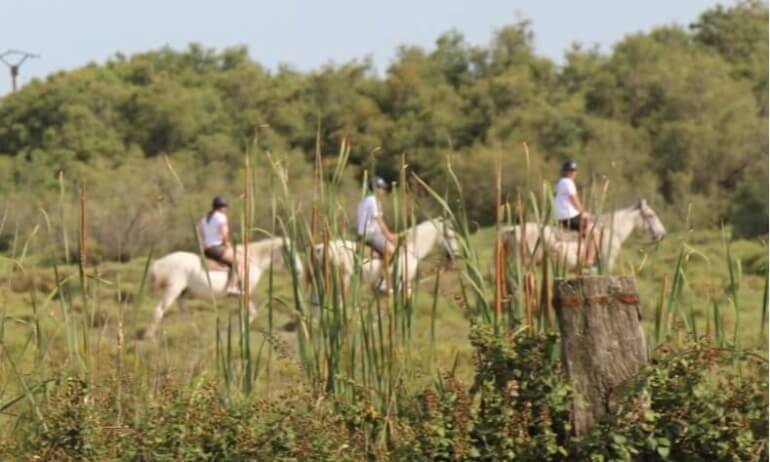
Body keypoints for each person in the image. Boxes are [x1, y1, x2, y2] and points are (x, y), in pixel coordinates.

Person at [554, 160, 597, 268]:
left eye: (574, 170)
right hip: (569, 216)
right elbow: (574, 200)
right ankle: (589, 262)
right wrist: (584, 213)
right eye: (570, 170)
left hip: (562, 216)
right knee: (593, 233)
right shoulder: (568, 182)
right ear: (565, 172)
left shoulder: (560, 183)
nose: (573, 173)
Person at [198, 196, 240, 295]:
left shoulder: (206, 218)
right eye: (225, 207)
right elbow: (224, 232)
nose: (226, 209)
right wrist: (226, 243)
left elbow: (198, 228)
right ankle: (232, 287)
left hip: (207, 249)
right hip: (216, 248)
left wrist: (204, 241)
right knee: (237, 263)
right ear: (222, 207)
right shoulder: (221, 217)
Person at [356, 176, 396, 260]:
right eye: (382, 188)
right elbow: (378, 220)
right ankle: (385, 273)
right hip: (370, 235)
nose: (384, 191)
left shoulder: (364, 200)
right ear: (375, 188)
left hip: (362, 235)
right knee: (392, 251)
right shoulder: (373, 200)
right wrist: (388, 235)